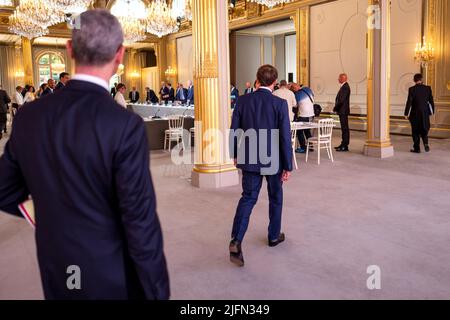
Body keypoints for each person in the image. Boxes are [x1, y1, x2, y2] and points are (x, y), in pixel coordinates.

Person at [0, 9, 170, 300]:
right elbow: (140, 222)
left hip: (56, 262)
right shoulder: (124, 125)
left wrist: (50, 212)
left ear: (70, 50)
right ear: (120, 56)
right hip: (107, 270)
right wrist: (157, 291)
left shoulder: (30, 116)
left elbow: (4, 190)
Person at [229, 64, 293, 267]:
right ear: (274, 82)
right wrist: (288, 165)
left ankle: (236, 240)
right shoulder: (280, 103)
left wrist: (235, 154)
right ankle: (274, 236)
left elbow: (234, 130)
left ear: (257, 80)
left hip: (249, 157)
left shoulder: (242, 100)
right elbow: (284, 137)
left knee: (248, 198)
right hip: (273, 160)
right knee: (275, 197)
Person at [404, 73, 435, 153]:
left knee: (415, 131)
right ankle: (426, 143)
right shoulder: (428, 88)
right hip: (425, 113)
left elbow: (409, 102)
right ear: (422, 80)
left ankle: (417, 149)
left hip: (415, 113)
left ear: (414, 80)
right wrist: (432, 112)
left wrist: (406, 113)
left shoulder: (412, 89)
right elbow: (431, 101)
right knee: (424, 128)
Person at [293, 86, 315, 153]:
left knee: (299, 131)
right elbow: (313, 97)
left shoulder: (297, 94)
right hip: (311, 113)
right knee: (307, 130)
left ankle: (303, 148)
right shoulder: (308, 89)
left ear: (294, 88)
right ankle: (310, 146)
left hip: (303, 114)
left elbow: (295, 105)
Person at [333, 73, 351, 152]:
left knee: (345, 129)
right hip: (342, 111)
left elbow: (341, 100)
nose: (338, 79)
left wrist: (335, 108)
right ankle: (343, 144)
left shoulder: (345, 87)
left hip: (343, 111)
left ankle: (345, 145)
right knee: (344, 129)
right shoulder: (344, 86)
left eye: (339, 78)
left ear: (344, 79)